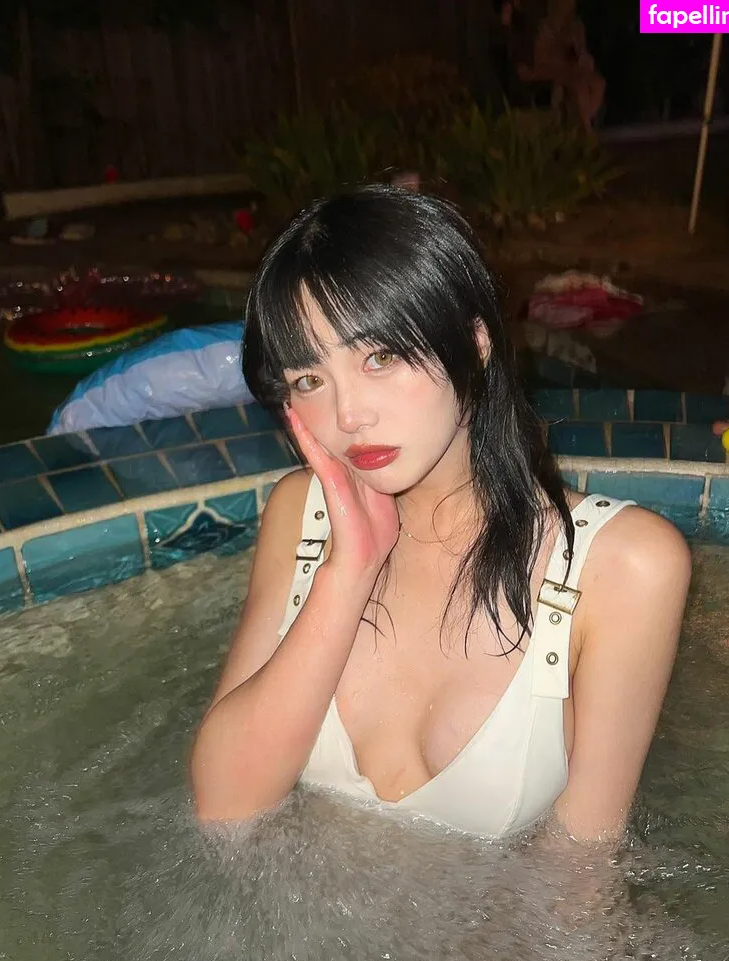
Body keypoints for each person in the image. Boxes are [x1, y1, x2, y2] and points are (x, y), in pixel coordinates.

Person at [190, 185, 691, 843]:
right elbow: (224, 806)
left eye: (380, 356)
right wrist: (350, 568)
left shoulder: (624, 565)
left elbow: (582, 871)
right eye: (309, 380)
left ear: (475, 341)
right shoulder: (300, 517)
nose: (348, 414)